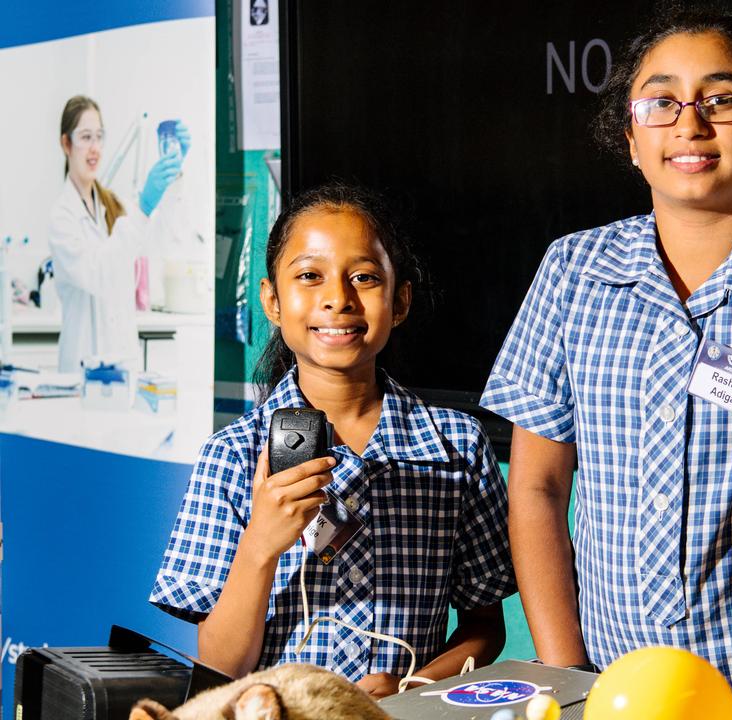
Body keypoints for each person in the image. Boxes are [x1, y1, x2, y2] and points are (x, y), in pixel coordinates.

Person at [483, 9, 732, 716]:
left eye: (723, 99)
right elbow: (538, 489)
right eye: (661, 101)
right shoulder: (574, 269)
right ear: (631, 140)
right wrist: (568, 679)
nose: (690, 123)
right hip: (607, 690)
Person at [150, 183, 514, 697]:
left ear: (400, 299)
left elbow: (484, 628)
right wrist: (261, 543)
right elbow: (221, 664)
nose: (338, 299)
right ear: (272, 301)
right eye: (309, 276)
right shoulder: (233, 456)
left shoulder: (457, 447)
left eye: (364, 277)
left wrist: (414, 686)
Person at [48, 95, 187, 372]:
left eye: (99, 137)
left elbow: (157, 241)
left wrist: (175, 178)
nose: (95, 147)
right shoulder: (62, 218)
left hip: (123, 362)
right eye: (85, 137)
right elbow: (99, 272)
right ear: (66, 143)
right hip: (82, 367)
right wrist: (143, 207)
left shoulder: (112, 205)